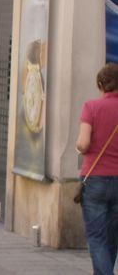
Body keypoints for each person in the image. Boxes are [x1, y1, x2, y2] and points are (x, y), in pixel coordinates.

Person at [76, 63, 118, 275]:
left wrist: (78, 147)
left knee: (97, 237)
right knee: (112, 238)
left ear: (100, 84)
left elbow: (83, 144)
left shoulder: (91, 107)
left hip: (95, 179)